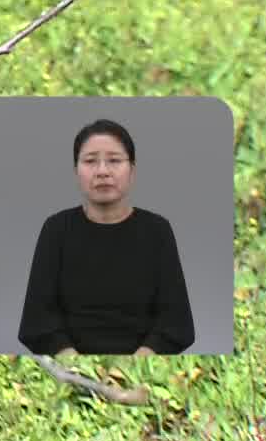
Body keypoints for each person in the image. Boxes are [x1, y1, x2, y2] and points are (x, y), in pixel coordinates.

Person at [17, 119, 195, 356]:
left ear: (132, 170)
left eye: (114, 161)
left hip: (145, 367)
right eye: (90, 161)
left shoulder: (157, 230)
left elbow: (176, 323)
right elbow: (37, 320)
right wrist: (75, 365)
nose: (102, 171)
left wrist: (140, 363)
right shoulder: (57, 229)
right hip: (69, 367)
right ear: (76, 170)